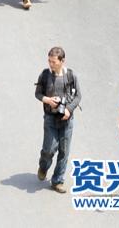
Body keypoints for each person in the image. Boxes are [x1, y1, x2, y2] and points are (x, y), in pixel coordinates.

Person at [35, 46, 82, 192]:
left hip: (67, 119)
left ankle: (57, 181)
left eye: (54, 62)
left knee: (64, 151)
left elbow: (78, 96)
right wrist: (48, 100)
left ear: (62, 61)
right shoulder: (45, 75)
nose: (51, 64)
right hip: (50, 118)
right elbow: (38, 94)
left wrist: (68, 109)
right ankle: (43, 166)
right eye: (49, 61)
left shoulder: (71, 76)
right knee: (49, 149)